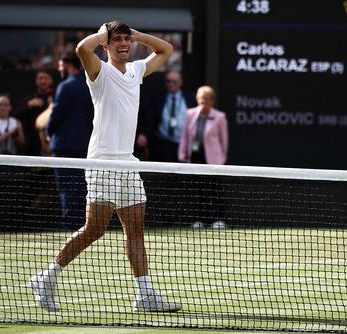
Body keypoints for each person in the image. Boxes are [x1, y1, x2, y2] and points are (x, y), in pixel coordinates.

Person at [30, 21, 181, 312]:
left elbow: (166, 49)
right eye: (117, 40)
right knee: (94, 229)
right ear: (106, 45)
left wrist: (136, 35)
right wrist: (104, 34)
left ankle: (145, 294)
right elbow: (81, 48)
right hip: (101, 161)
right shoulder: (98, 71)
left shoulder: (137, 70)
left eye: (127, 40)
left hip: (128, 162)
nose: (124, 44)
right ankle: (46, 277)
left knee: (135, 230)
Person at [47, 53, 93, 230]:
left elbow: (56, 115)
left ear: (67, 65)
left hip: (65, 146)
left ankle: (69, 226)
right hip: (84, 145)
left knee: (67, 188)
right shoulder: (88, 86)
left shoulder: (65, 86)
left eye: (60, 65)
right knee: (81, 187)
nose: (59, 69)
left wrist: (49, 132)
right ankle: (83, 226)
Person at [178, 86, 229, 229]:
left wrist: (221, 159)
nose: (202, 102)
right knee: (198, 190)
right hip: (195, 158)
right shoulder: (190, 114)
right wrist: (182, 154)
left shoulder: (219, 117)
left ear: (212, 101)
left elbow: (224, 141)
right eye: (200, 99)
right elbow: (185, 137)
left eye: (206, 99)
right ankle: (200, 219)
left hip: (214, 160)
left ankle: (219, 219)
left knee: (215, 189)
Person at [137, 70, 195, 162]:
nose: (171, 84)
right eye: (168, 81)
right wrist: (145, 134)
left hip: (183, 145)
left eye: (174, 82)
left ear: (181, 82)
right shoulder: (158, 99)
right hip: (162, 144)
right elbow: (151, 119)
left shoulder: (191, 98)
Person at [15, 70, 55, 156]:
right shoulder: (29, 99)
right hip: (32, 143)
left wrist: (46, 105)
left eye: (46, 78)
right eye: (40, 78)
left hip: (51, 141)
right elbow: (17, 115)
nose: (43, 81)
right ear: (36, 81)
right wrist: (29, 105)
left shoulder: (56, 97)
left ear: (51, 81)